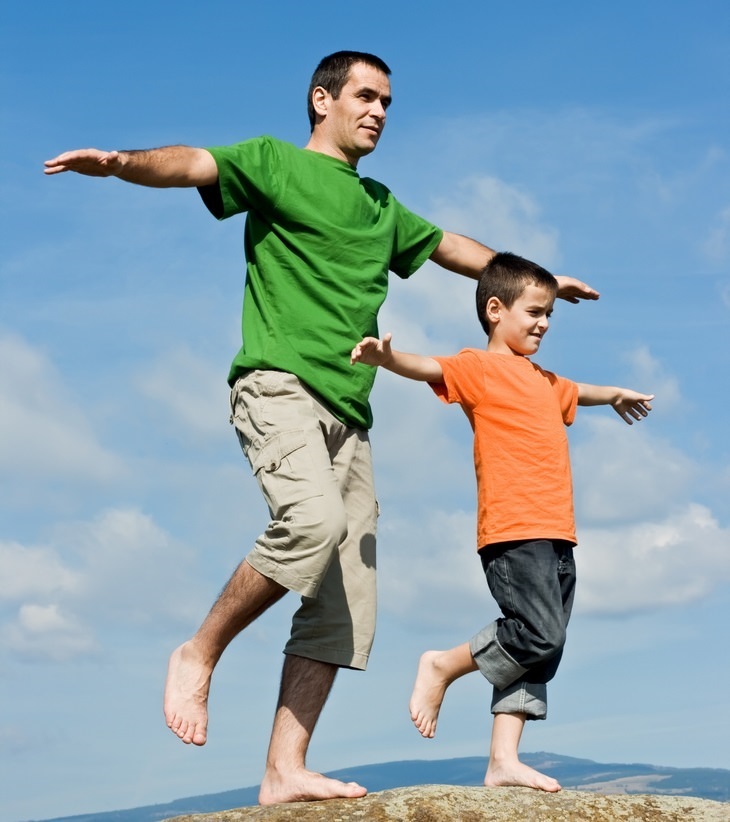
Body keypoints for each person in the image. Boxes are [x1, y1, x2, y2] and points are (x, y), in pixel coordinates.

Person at [44, 52, 598, 804]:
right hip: (278, 385)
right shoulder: (273, 164)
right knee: (311, 522)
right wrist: (121, 165)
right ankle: (199, 653)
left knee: (345, 603)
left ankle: (283, 770)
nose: (378, 111)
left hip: (350, 414)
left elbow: (452, 250)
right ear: (322, 99)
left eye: (387, 103)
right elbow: (192, 164)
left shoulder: (378, 205)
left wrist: (534, 280)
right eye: (365, 96)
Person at [350, 251, 653, 793]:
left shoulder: (543, 379)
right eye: (535, 311)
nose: (543, 322)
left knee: (547, 644)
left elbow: (578, 390)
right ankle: (443, 665)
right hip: (514, 530)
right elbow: (431, 367)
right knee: (538, 633)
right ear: (495, 310)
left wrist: (616, 396)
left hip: (558, 530)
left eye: (549, 315)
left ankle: (503, 760)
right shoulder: (479, 368)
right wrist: (387, 360)